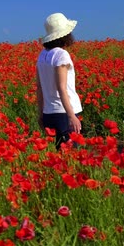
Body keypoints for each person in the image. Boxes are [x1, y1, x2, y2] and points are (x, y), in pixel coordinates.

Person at [36, 13, 82, 149]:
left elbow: (39, 87)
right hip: (64, 114)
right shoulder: (61, 54)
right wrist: (71, 116)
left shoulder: (42, 55)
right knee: (71, 157)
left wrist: (41, 115)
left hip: (49, 113)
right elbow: (61, 88)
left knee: (57, 159)